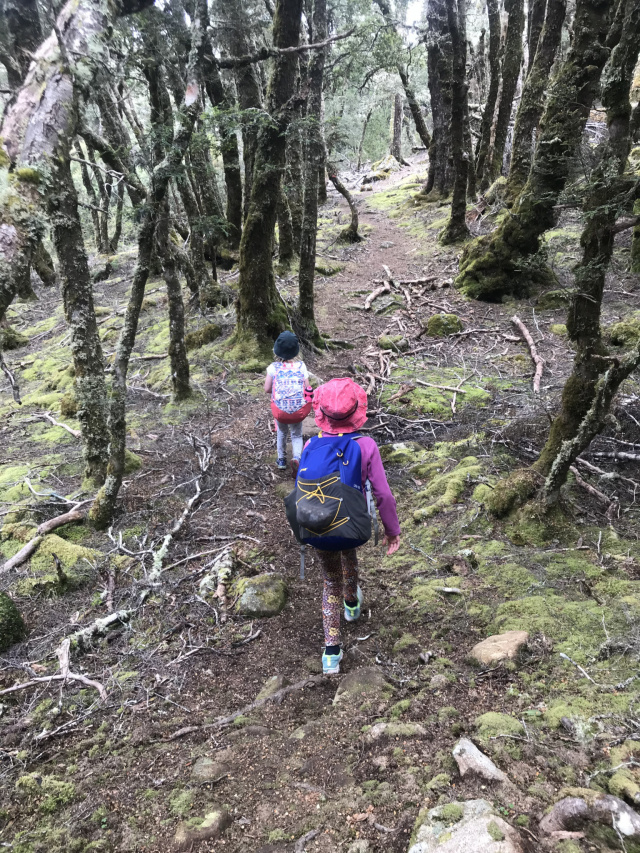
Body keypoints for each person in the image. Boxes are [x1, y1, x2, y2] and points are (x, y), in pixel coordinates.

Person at [308, 378, 401, 674]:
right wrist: (391, 530)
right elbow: (383, 494)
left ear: (321, 413)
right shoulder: (366, 445)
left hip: (319, 526)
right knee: (349, 554)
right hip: (353, 525)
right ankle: (351, 605)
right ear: (357, 412)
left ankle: (331, 653)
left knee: (330, 580)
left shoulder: (311, 444)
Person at [264, 331, 312, 476]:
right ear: (296, 350)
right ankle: (297, 458)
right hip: (298, 411)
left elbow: (267, 389)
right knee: (296, 435)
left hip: (280, 411)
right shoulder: (301, 366)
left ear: (277, 350)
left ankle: (281, 460)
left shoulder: (273, 368)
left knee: (282, 432)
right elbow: (307, 387)